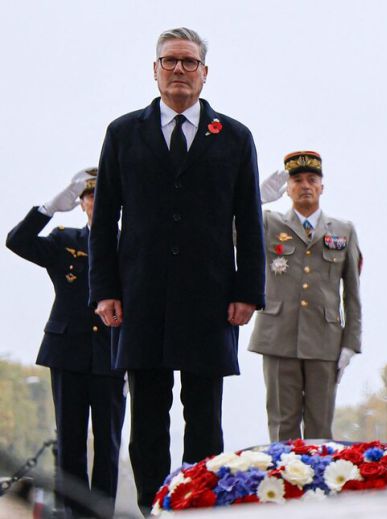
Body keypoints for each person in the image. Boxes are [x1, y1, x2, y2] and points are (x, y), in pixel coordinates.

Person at [88, 28, 264, 510]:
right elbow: (104, 220)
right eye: (170, 61)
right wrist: (104, 290)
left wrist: (248, 291)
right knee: (147, 415)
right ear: (155, 70)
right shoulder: (123, 133)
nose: (179, 70)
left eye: (189, 62)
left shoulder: (234, 136)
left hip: (210, 296)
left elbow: (249, 219)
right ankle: (153, 507)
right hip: (140, 294)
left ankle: (198, 506)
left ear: (205, 73)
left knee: (204, 415)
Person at [6, 168, 125, 518]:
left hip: (111, 352)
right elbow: (17, 241)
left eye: (103, 197)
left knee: (108, 442)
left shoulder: (132, 245)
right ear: (81, 203)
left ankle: (101, 513)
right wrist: (48, 208)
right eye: (89, 196)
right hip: (67, 349)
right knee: (69, 440)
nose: (96, 203)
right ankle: (70, 513)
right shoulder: (65, 240)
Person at [249, 152, 362, 440]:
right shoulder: (268, 223)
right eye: (297, 180)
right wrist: (253, 201)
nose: (305, 186)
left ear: (323, 187)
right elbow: (229, 235)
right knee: (282, 427)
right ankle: (284, 473)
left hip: (324, 339)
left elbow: (351, 292)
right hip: (278, 336)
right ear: (287, 188)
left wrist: (350, 343)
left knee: (320, 429)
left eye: (312, 179)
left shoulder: (343, 230)